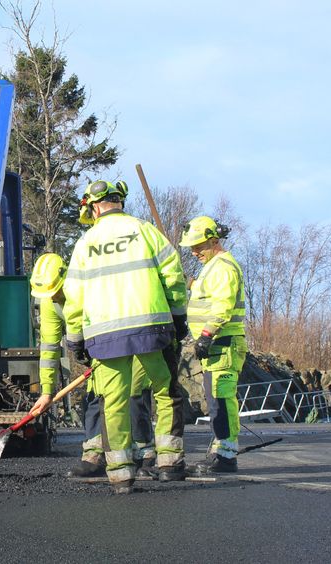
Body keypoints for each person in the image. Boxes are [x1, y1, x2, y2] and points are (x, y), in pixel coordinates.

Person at [62, 180, 189, 494]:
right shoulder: (145, 231)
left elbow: (74, 298)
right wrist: (178, 315)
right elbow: (173, 275)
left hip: (105, 335)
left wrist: (75, 339)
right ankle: (169, 464)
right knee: (165, 392)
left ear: (93, 207)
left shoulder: (84, 245)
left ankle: (120, 475)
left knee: (113, 402)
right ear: (119, 201)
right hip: (151, 328)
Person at [28, 253, 157, 479]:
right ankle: (95, 456)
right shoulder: (49, 302)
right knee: (95, 398)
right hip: (94, 354)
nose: (55, 297)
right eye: (49, 294)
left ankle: (144, 455)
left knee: (134, 395)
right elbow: (49, 349)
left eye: (57, 291)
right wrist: (47, 391)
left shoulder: (92, 288)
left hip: (126, 344)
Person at [180, 216, 247, 473]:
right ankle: (222, 449)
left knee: (221, 397)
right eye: (192, 247)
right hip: (217, 344)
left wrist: (207, 334)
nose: (194, 251)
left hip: (223, 342)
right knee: (215, 397)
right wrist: (190, 283)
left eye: (198, 246)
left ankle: (227, 455)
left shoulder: (223, 267)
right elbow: (208, 293)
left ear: (213, 240)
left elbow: (222, 304)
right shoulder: (212, 267)